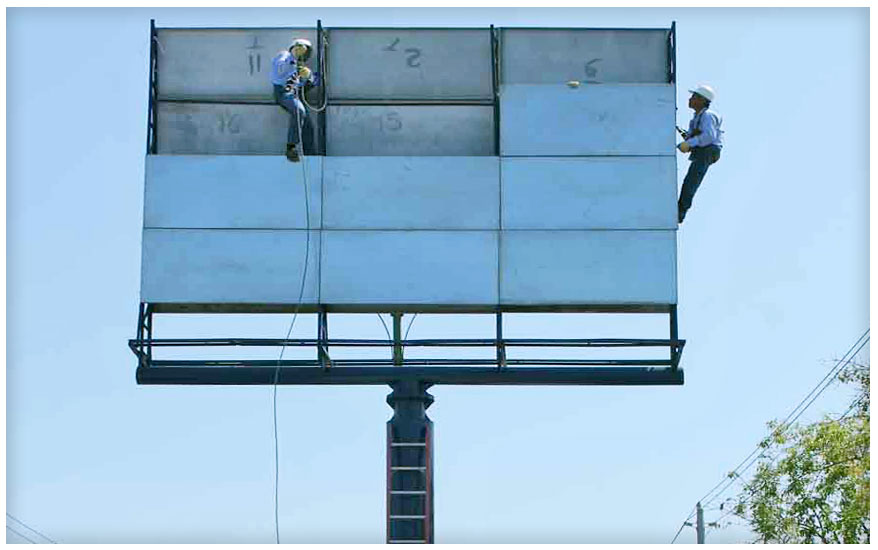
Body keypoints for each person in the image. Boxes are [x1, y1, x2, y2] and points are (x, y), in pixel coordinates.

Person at [676, 84, 723, 224]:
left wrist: (689, 144)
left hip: (708, 150)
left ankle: (680, 212)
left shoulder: (707, 116)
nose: (690, 99)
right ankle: (681, 209)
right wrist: (689, 140)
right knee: (690, 180)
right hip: (704, 150)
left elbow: (708, 136)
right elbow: (695, 137)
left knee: (691, 181)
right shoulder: (696, 118)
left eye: (694, 97)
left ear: (702, 100)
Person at [270, 39, 318, 162]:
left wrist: (309, 77)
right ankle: (290, 147)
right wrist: (293, 59)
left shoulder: (300, 67)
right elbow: (280, 68)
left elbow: (308, 85)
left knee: (307, 126)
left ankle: (310, 156)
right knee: (299, 110)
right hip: (283, 92)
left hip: (295, 95)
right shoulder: (284, 56)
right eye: (301, 50)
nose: (303, 54)